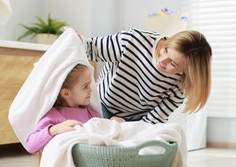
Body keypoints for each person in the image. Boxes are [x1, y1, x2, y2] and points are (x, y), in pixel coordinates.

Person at [83, 28, 212, 124]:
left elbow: (154, 120)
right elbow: (90, 48)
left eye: (172, 63)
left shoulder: (182, 83)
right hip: (101, 104)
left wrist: (126, 126)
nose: (162, 60)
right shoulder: (134, 40)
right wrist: (76, 41)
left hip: (135, 120)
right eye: (166, 50)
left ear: (187, 70)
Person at [25, 64, 102, 154]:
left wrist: (114, 123)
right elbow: (30, 145)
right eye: (85, 86)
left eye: (89, 85)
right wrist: (54, 130)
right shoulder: (53, 115)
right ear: (66, 93)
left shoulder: (92, 114)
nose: (90, 90)